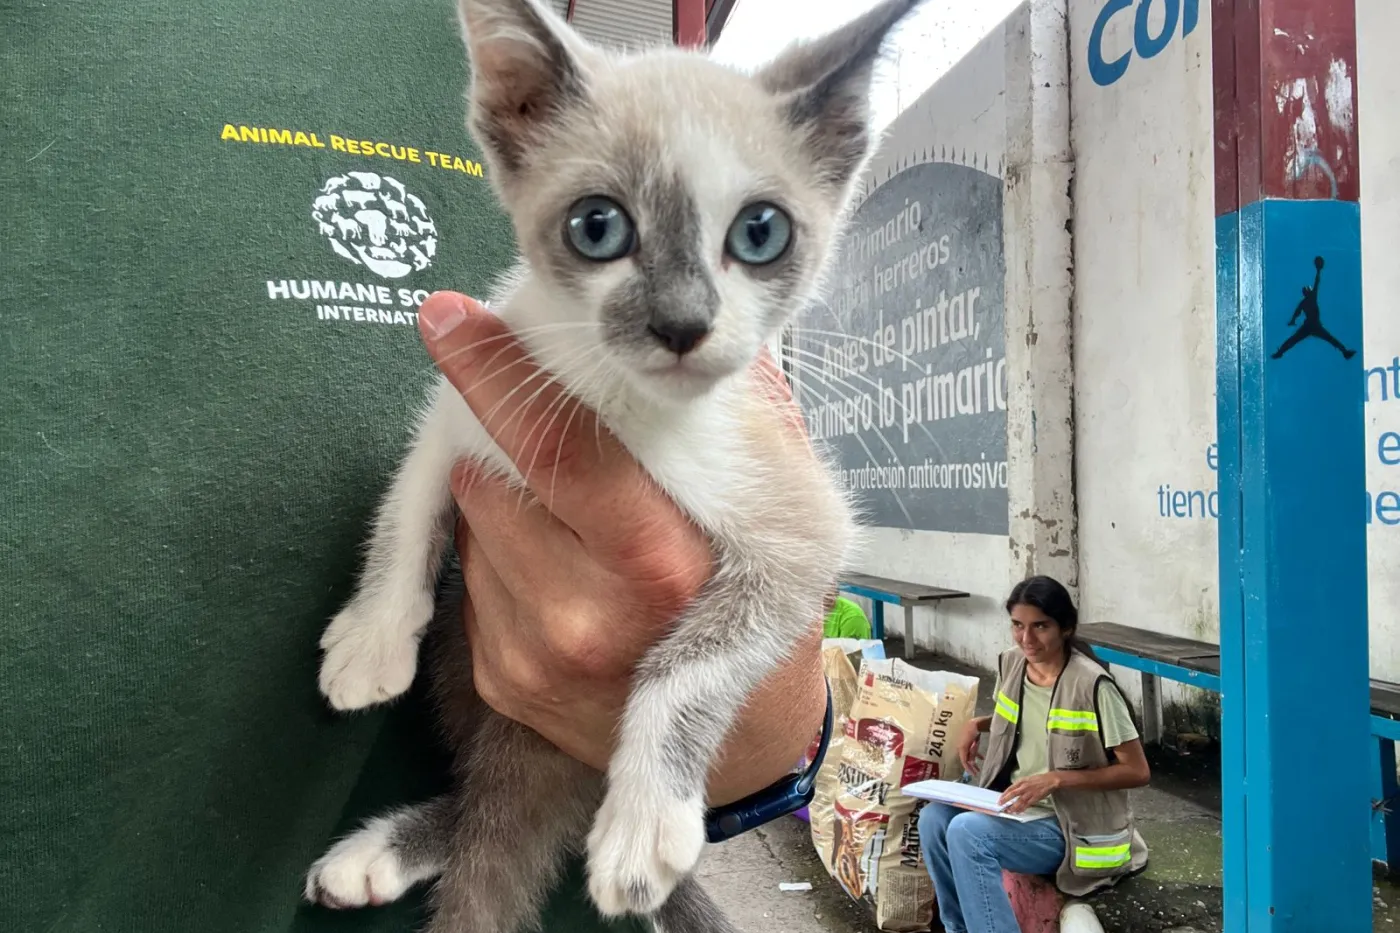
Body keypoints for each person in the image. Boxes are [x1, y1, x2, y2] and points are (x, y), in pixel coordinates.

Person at [1, 0, 826, 924]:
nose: (684, 315)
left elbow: (791, 618)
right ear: (511, 119)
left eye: (756, 238)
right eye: (602, 230)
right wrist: (392, 598)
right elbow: (450, 436)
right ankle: (456, 828)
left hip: (628, 800)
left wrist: (725, 739)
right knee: (481, 683)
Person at [916, 575, 1151, 933]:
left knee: (967, 832)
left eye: (1040, 626)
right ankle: (958, 928)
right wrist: (977, 724)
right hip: (1015, 807)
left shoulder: (1092, 684)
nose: (1027, 639)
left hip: (1073, 826)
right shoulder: (1012, 663)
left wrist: (1057, 778)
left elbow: (1137, 771)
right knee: (933, 820)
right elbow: (1027, 718)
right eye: (1017, 625)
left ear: (1066, 628)